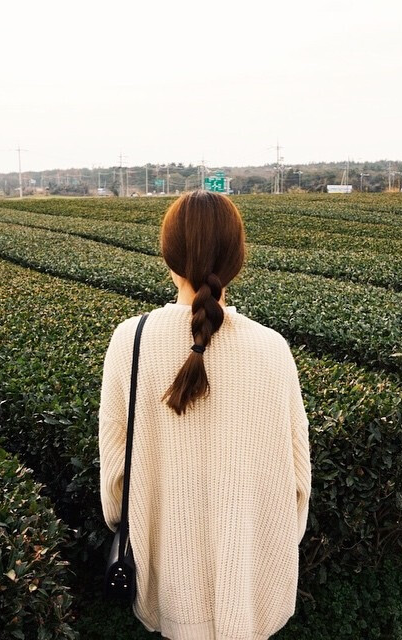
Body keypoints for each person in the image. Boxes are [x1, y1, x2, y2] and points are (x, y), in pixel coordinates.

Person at [99, 190, 312, 640]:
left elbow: (117, 477)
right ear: (237, 259)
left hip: (170, 579)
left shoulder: (130, 340)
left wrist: (134, 519)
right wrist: (272, 545)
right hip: (254, 581)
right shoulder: (272, 348)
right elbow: (297, 476)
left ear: (167, 254)